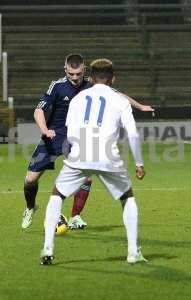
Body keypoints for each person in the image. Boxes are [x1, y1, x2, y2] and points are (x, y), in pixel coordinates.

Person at [22, 53, 154, 230]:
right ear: (65, 70)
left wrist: (140, 106)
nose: (75, 78)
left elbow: (118, 95)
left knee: (86, 177)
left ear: (84, 70)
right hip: (54, 135)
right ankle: (30, 207)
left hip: (79, 137)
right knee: (31, 180)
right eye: (71, 74)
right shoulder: (57, 86)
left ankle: (75, 216)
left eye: (78, 74)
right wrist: (45, 130)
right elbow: (38, 111)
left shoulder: (91, 84)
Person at [41, 58, 147, 265]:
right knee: (127, 198)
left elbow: (70, 130)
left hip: (79, 154)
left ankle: (47, 248)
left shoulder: (78, 99)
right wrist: (139, 163)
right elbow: (133, 134)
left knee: (57, 194)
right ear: (113, 79)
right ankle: (133, 252)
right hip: (108, 156)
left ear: (90, 78)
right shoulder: (120, 100)